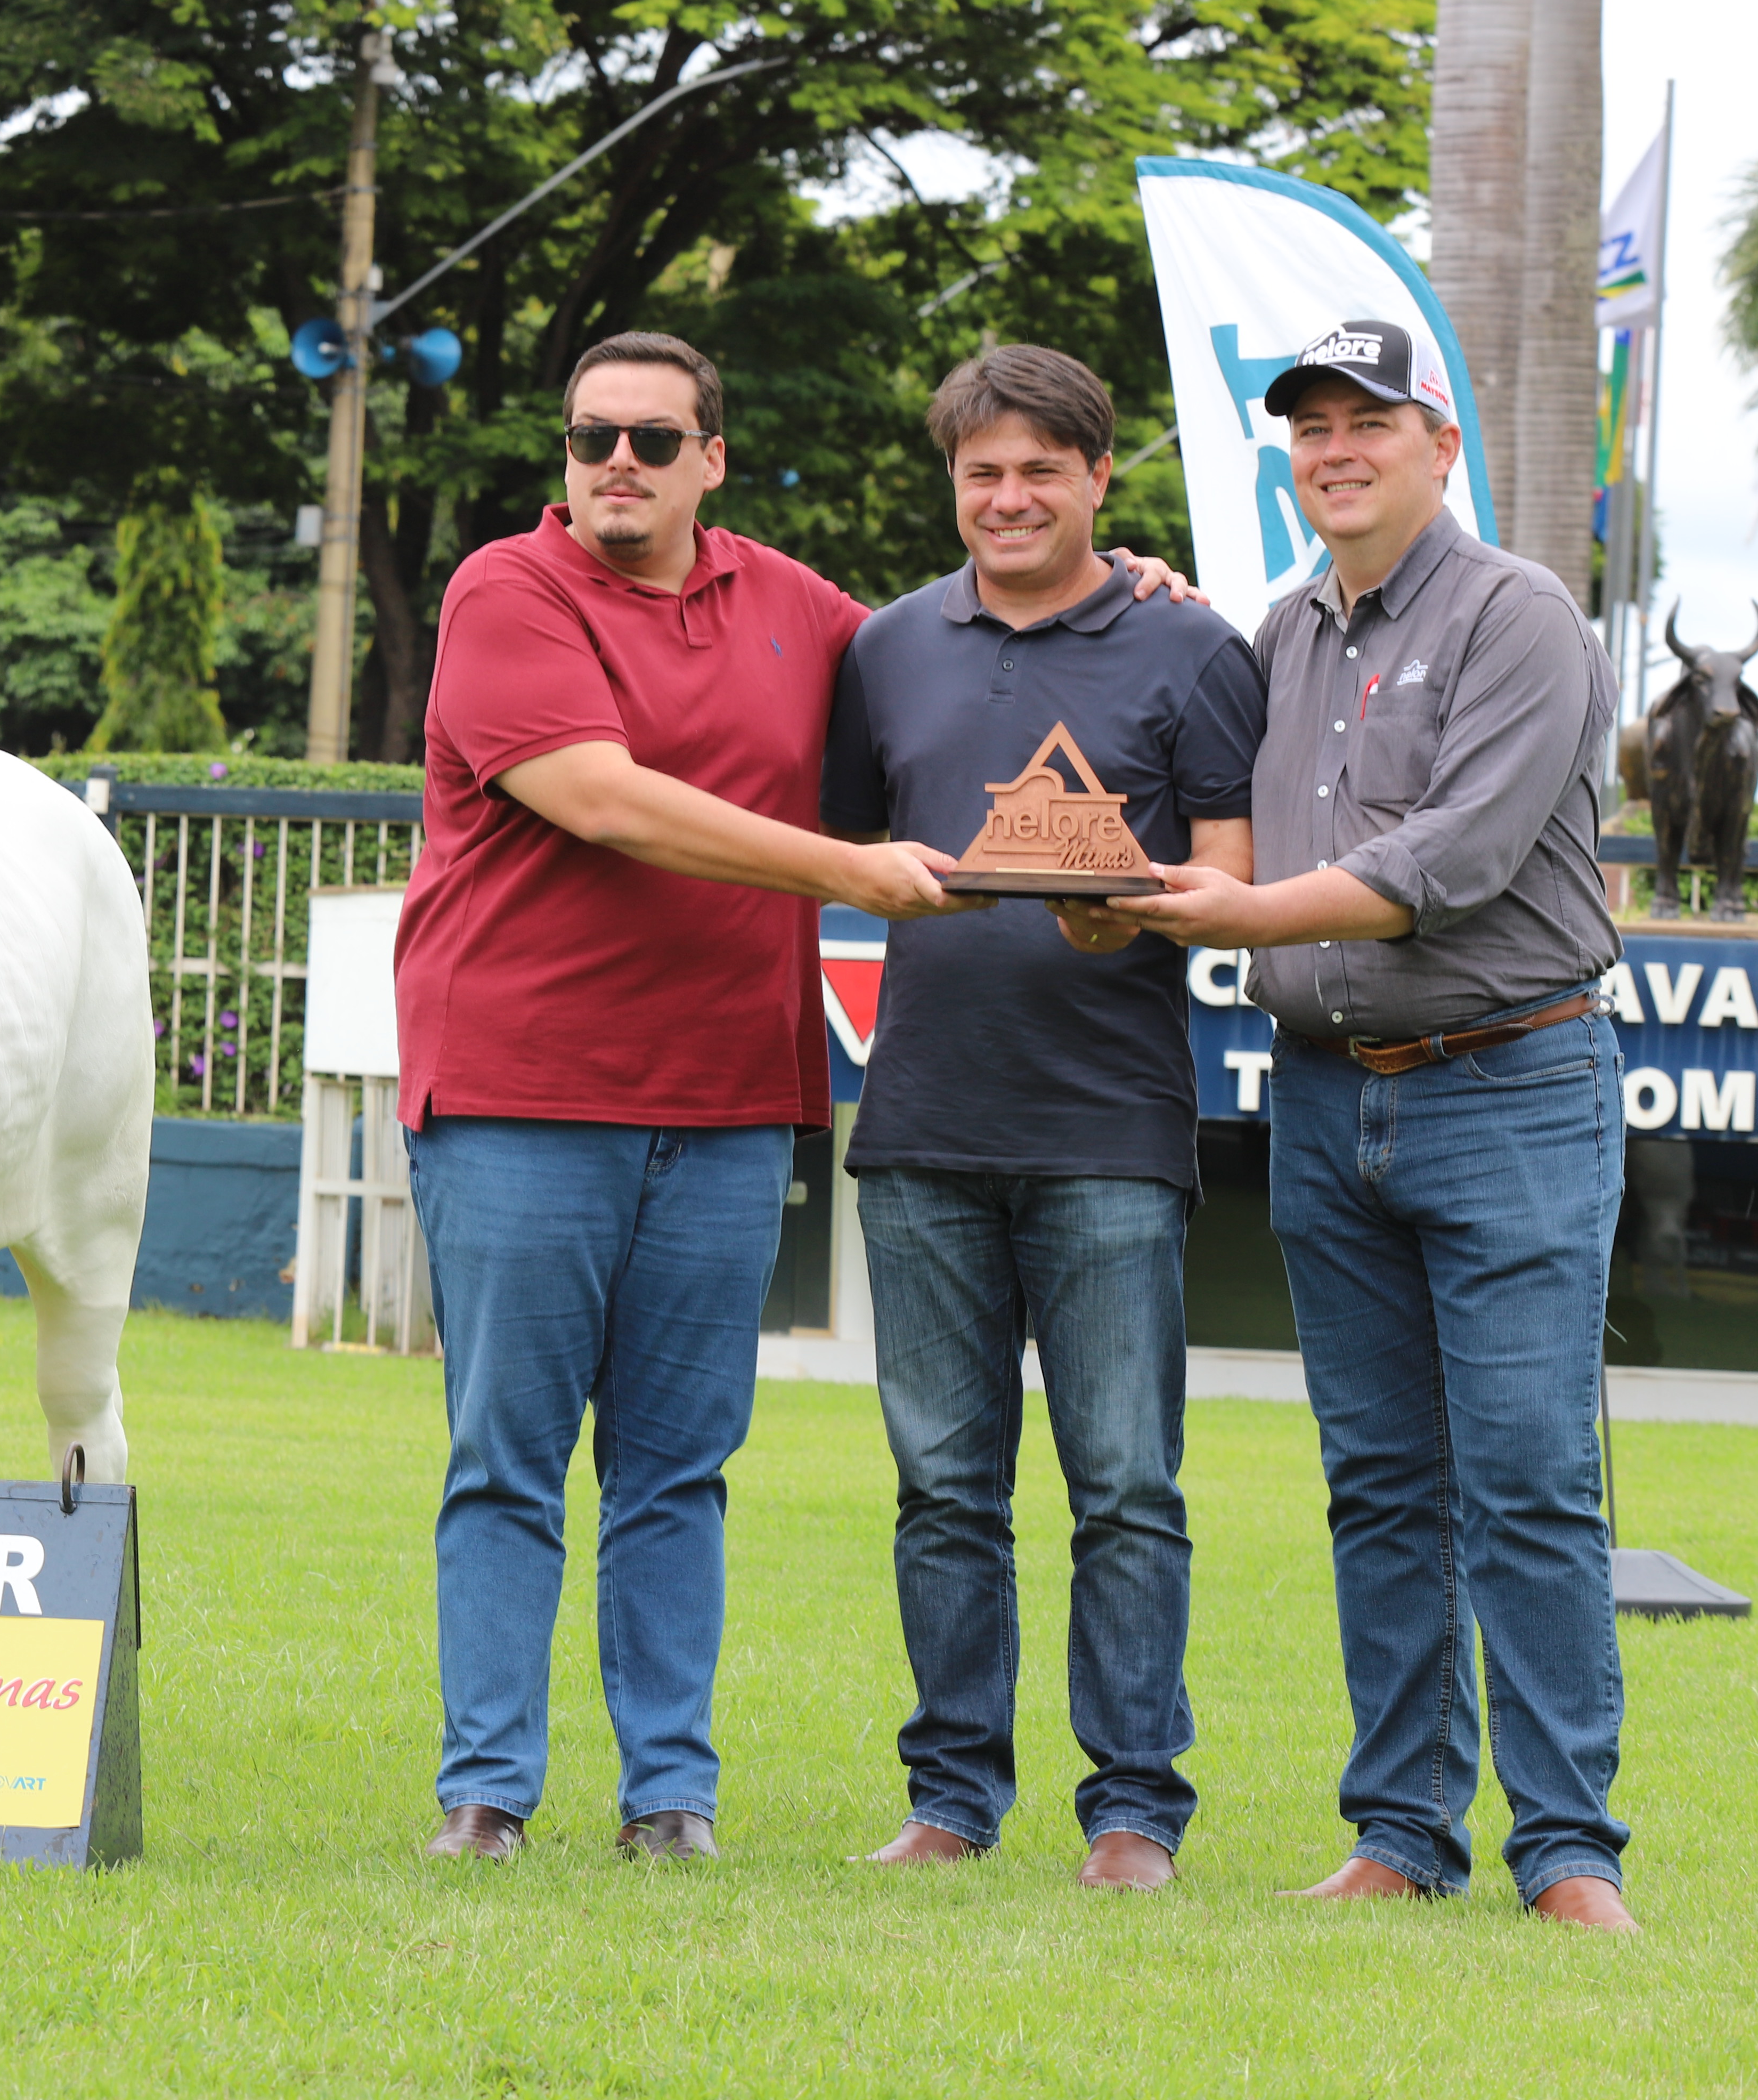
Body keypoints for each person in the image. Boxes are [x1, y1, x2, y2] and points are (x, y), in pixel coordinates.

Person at [393, 329, 1190, 1862]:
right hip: (519, 1090)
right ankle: (486, 1793)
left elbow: (970, 639)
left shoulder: (798, 609)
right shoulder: (508, 589)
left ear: (712, 460)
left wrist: (1120, 584)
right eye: (591, 436)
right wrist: (846, 870)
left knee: (678, 1469)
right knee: (507, 1460)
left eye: (652, 439)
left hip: (729, 1102)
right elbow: (604, 799)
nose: (617, 463)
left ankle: (669, 1801)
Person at [1117, 319, 1638, 1932]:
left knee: (1530, 1478)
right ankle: (1403, 1833)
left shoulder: (1520, 614)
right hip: (1328, 1096)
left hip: (1514, 1087)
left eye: (1369, 422)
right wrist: (1149, 610)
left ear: (1440, 444)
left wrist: (1243, 912)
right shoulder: (1278, 634)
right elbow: (1197, 770)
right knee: (1382, 1485)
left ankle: (1568, 1855)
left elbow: (1451, 863)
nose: (1335, 451)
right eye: (1311, 428)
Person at [821, 345, 1264, 1891]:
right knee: (943, 1489)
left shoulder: (1190, 646)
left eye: (1040, 472)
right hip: (921, 1123)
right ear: (954, 484)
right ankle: (950, 1799)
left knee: (1126, 1488)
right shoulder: (886, 647)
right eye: (982, 473)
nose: (1009, 499)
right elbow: (843, 855)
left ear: (1098, 480)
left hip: (1111, 1133)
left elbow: (1231, 878)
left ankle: (1134, 1813)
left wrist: (1124, 912)